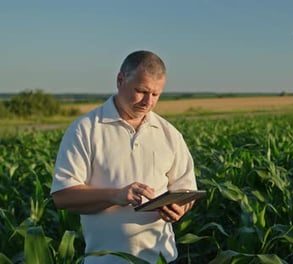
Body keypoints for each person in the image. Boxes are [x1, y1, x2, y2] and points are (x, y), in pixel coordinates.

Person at [51, 50, 198, 263]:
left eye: (156, 94)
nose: (148, 101)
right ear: (120, 80)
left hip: (162, 258)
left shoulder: (169, 133)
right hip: (105, 260)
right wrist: (115, 195)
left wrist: (179, 208)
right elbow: (62, 196)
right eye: (141, 91)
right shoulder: (85, 129)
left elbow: (186, 190)